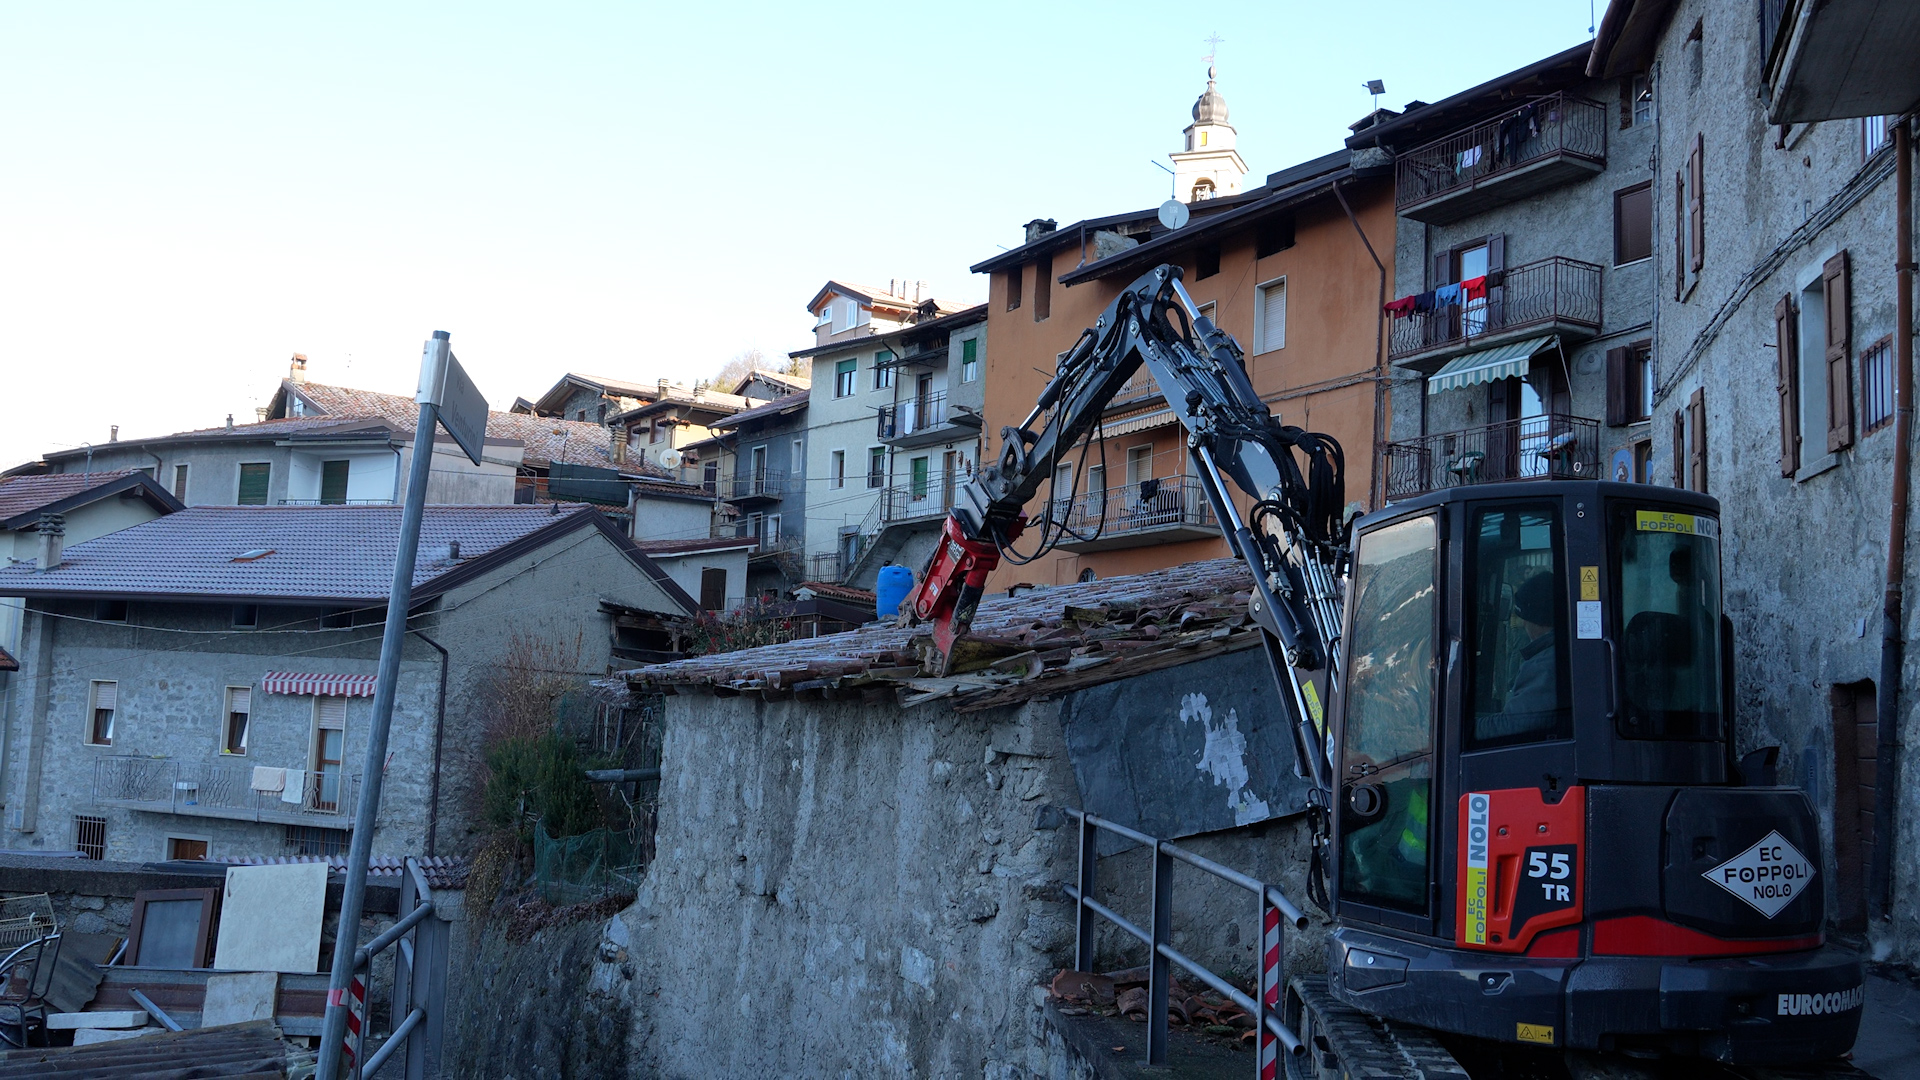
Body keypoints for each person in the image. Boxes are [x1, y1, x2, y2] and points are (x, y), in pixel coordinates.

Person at [1480, 573, 1565, 739]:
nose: (1524, 624)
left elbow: (1513, 723)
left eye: (1525, 618)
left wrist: (1465, 729)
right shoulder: (1560, 653)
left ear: (1537, 619)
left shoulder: (1545, 666)